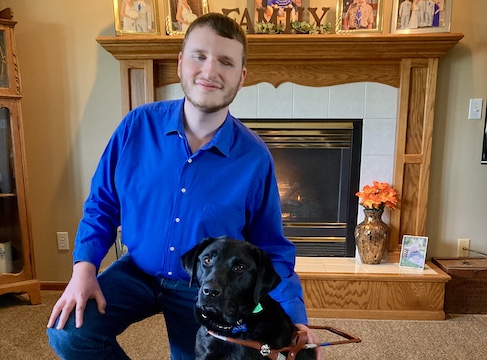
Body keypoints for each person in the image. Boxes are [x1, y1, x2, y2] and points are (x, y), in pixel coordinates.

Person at [46, 12, 322, 360]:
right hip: (138, 271)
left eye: (225, 62)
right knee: (68, 332)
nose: (210, 71)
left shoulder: (255, 158)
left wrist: (296, 319)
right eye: (199, 56)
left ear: (241, 77)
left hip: (208, 288)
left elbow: (272, 249)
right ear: (180, 62)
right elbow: (101, 205)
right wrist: (83, 269)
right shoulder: (136, 126)